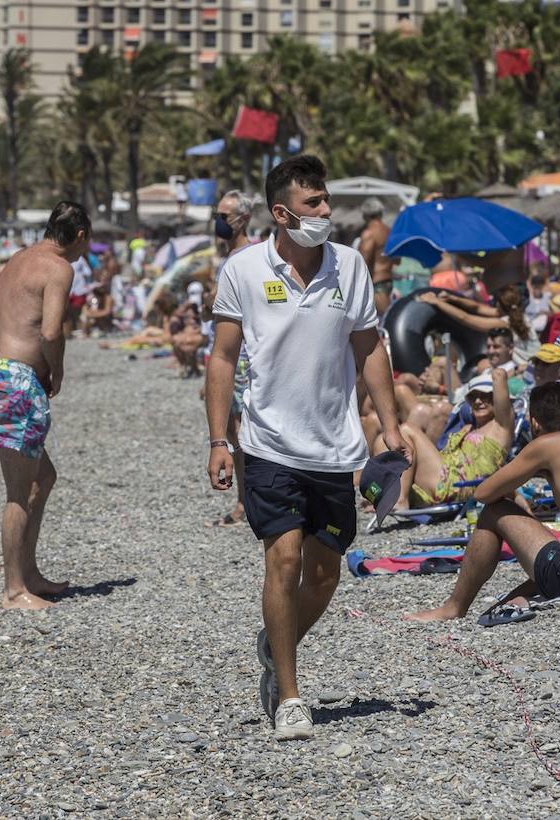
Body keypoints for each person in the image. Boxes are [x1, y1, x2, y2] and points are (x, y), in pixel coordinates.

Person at [205, 154, 407, 742]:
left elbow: (370, 348)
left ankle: (276, 641)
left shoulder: (349, 266)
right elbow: (221, 357)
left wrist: (390, 428)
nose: (326, 212)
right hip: (266, 442)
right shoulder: (244, 270)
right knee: (284, 558)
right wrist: (220, 438)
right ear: (282, 213)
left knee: (323, 573)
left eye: (327, 201)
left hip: (334, 446)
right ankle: (290, 696)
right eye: (315, 204)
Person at [406, 382, 560, 622]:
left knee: (494, 511)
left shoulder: (546, 445)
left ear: (535, 423)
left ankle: (454, 607)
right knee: (545, 564)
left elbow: (483, 493)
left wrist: (513, 490)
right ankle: (504, 602)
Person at [0, 201, 90, 611]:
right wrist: (56, 372)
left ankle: (30, 573)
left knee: (44, 477)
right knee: (18, 492)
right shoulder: (59, 268)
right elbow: (51, 331)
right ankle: (13, 590)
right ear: (79, 236)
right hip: (16, 380)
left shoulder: (18, 260)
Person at [378, 371, 512, 507]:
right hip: (443, 477)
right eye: (473, 397)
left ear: (496, 398)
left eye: (485, 396)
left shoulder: (501, 427)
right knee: (384, 439)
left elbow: (499, 376)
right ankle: (385, 495)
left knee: (407, 429)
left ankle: (400, 501)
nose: (478, 401)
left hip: (457, 484)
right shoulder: (468, 427)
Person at [208, 190, 257, 527]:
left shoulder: (251, 256)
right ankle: (245, 500)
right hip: (226, 355)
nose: (219, 222)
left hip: (243, 357)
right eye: (218, 215)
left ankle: (247, 502)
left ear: (243, 219)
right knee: (230, 429)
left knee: (240, 433)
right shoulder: (229, 257)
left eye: (224, 216)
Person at [356, 198, 395, 316]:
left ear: (365, 215)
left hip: (375, 283)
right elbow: (397, 259)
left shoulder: (370, 233)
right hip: (387, 280)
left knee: (386, 321)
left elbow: (363, 262)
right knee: (385, 319)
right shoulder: (390, 232)